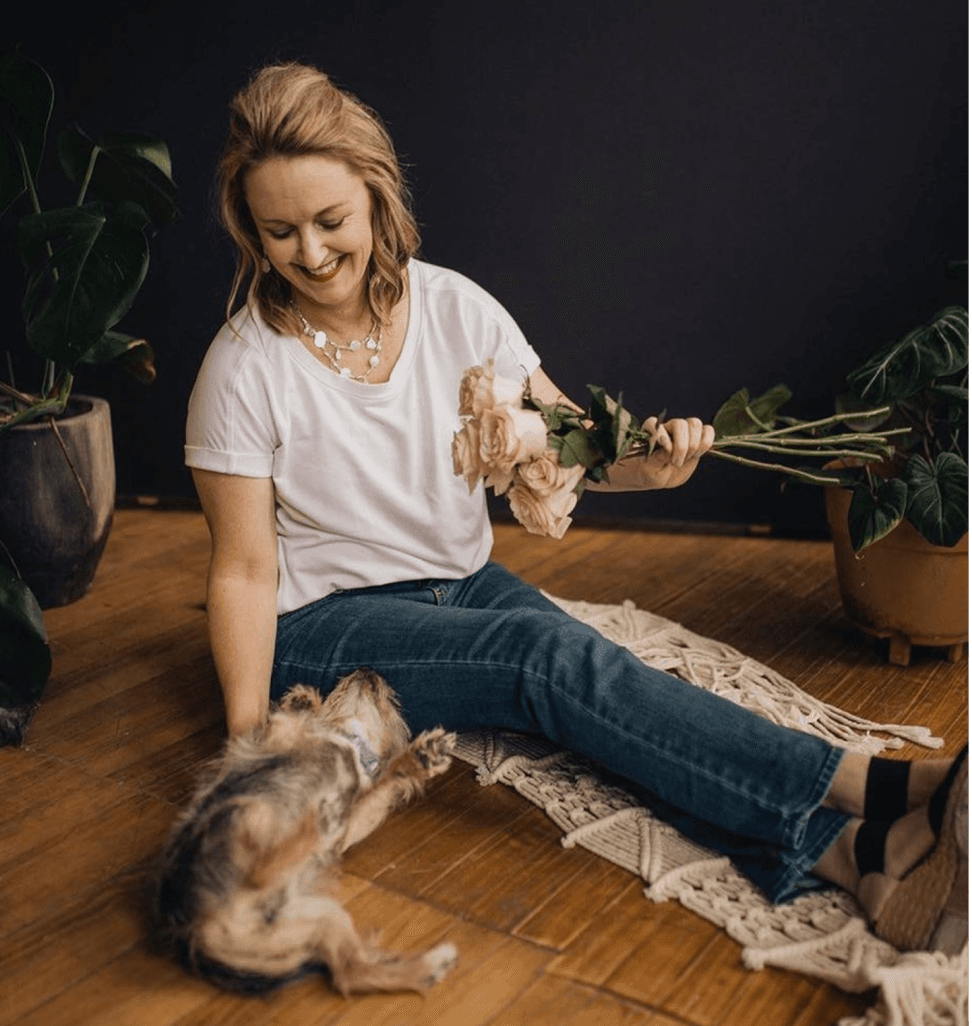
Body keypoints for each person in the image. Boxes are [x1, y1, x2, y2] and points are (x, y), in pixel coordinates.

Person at [185, 62, 968, 957]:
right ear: (251, 231)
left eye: (331, 222)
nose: (312, 253)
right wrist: (251, 746)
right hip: (325, 623)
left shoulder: (456, 309)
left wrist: (658, 465)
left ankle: (855, 855)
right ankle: (893, 789)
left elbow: (573, 450)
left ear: (375, 195)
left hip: (461, 583)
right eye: (280, 232)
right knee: (543, 656)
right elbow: (243, 569)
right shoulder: (242, 368)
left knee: (597, 685)